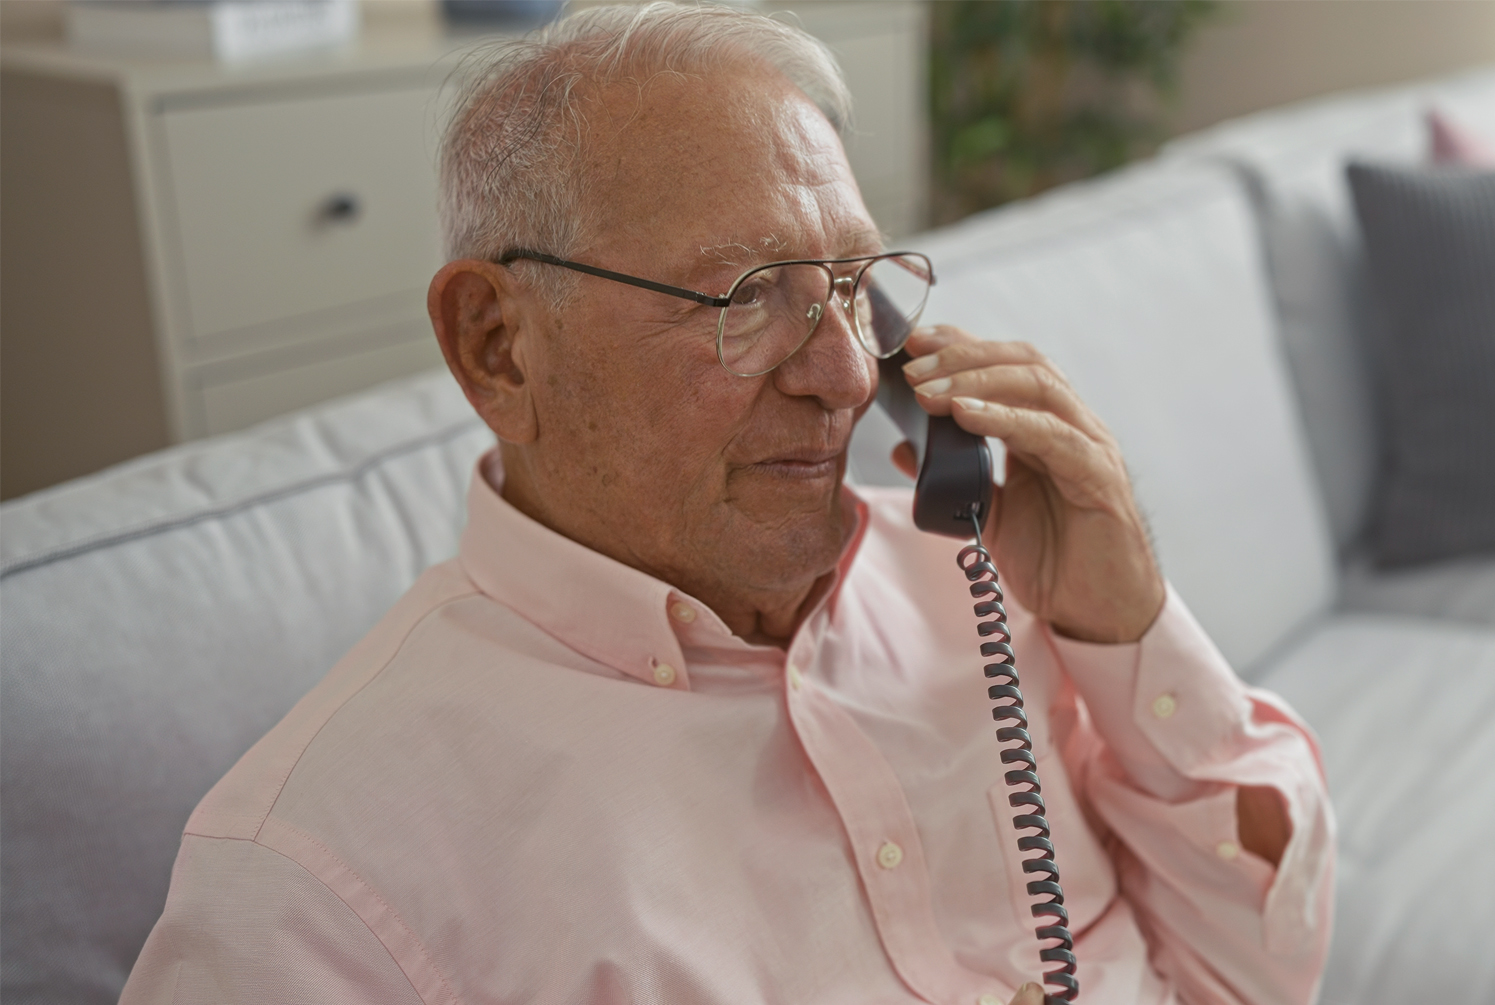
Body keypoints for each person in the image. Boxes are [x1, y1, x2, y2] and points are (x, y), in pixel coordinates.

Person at [119, 5, 1333, 1004]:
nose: (846, 376)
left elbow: (1257, 977)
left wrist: (1124, 629)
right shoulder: (313, 881)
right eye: (748, 295)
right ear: (498, 347)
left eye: (851, 288)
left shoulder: (990, 588)